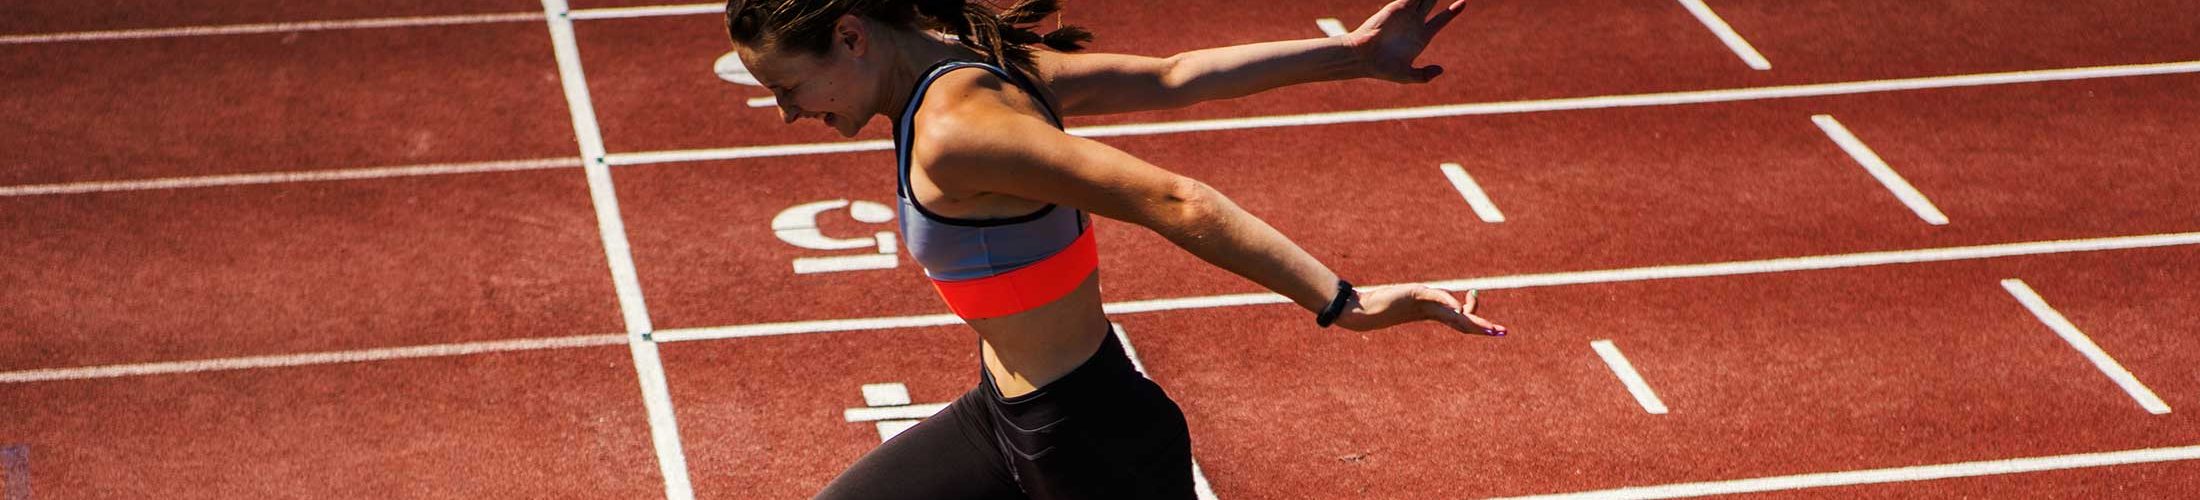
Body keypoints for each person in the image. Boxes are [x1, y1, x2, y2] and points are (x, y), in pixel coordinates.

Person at [722, 0, 1509, 498]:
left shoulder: (956, 136)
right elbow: (1171, 78)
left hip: (1090, 446)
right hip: (1005, 419)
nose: (787, 112)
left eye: (787, 87)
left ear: (851, 35)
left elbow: (1175, 199)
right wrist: (1351, 56)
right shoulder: (967, 68)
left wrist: (1344, 302)